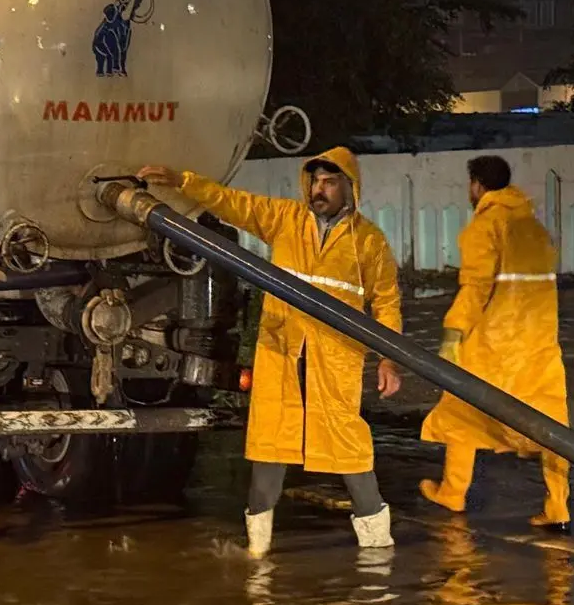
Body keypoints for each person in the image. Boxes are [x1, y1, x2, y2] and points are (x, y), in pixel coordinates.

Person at [137, 147, 404, 557]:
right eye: (315, 181)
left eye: (329, 182)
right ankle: (257, 549)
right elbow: (234, 204)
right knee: (269, 446)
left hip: (333, 359)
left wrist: (389, 359)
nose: (319, 189)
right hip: (282, 351)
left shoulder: (368, 241)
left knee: (348, 446)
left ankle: (377, 545)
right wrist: (183, 180)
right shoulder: (285, 219)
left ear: (349, 187)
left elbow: (386, 301)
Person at [419, 155, 572, 532]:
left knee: (460, 409)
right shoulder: (534, 228)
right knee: (552, 427)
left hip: (496, 344)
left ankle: (453, 492)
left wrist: (453, 333)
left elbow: (475, 286)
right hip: (538, 342)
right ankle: (558, 506)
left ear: (477, 185)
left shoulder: (486, 226)